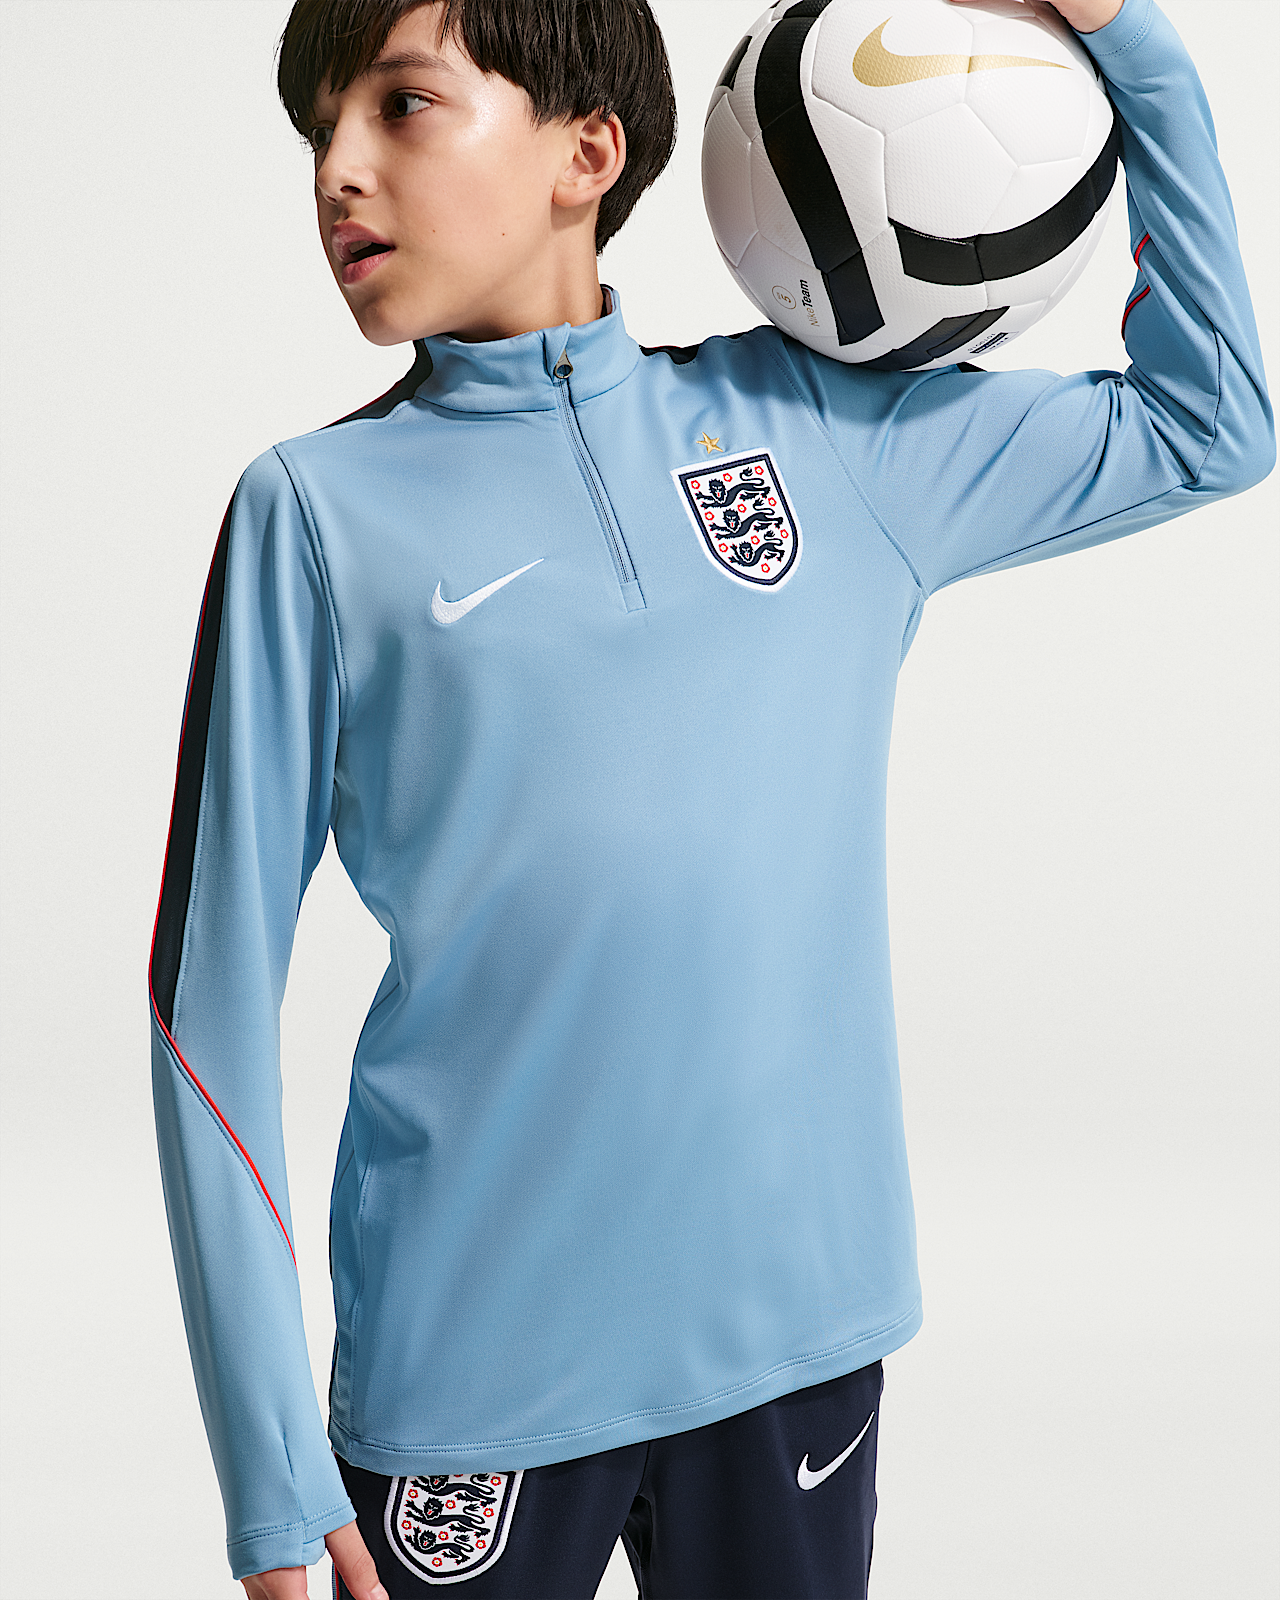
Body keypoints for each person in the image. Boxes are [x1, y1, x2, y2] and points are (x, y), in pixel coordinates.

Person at [147, 0, 1272, 1594]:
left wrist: (1130, 42)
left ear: (586, 152)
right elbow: (207, 1007)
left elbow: (1209, 422)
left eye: (399, 106)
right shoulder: (314, 514)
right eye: (316, 129)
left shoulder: (824, 436)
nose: (337, 169)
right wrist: (271, 1468)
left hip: (796, 1336)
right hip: (472, 1375)